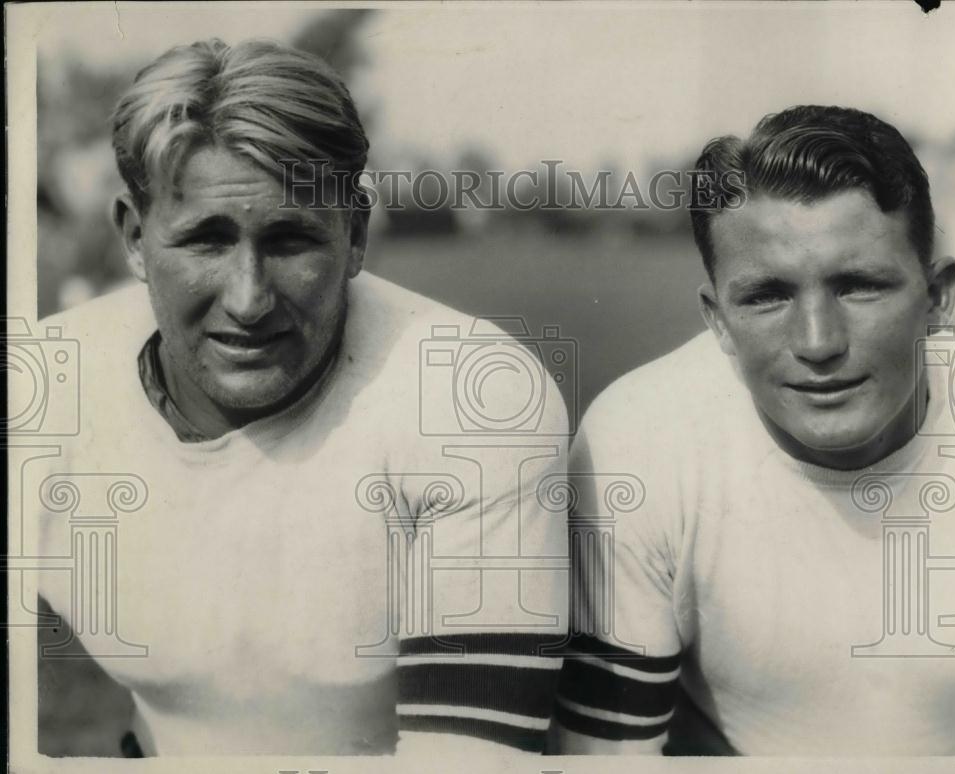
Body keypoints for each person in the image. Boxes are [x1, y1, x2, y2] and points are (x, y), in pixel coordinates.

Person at [35, 39, 569, 756]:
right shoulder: (39, 393)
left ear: (354, 235)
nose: (250, 299)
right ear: (135, 238)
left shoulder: (473, 398)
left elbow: (473, 764)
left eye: (290, 240)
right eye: (205, 241)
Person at [552, 105, 955, 755]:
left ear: (937, 298)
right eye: (767, 296)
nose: (818, 342)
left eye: (859, 286)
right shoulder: (641, 441)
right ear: (718, 321)